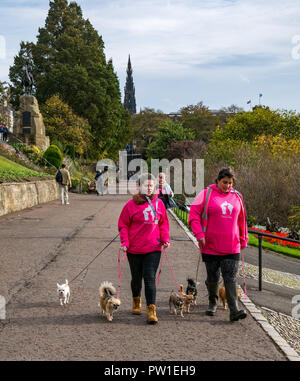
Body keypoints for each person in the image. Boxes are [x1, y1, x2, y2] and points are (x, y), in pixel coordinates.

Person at [188, 167, 248, 322]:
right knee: (213, 276)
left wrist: (243, 237)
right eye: (224, 182)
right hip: (210, 245)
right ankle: (212, 302)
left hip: (232, 245)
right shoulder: (206, 194)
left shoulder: (237, 196)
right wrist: (199, 234)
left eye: (230, 183)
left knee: (230, 277)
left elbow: (242, 219)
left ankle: (234, 310)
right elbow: (193, 214)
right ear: (218, 180)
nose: (227, 185)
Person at [118, 173, 170, 324]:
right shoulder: (130, 205)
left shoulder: (159, 204)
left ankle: (151, 310)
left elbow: (163, 224)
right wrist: (125, 242)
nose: (148, 188)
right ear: (139, 187)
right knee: (136, 278)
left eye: (151, 186)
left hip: (153, 248)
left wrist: (165, 239)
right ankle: (136, 301)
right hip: (134, 249)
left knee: (149, 278)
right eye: (146, 185)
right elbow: (123, 225)